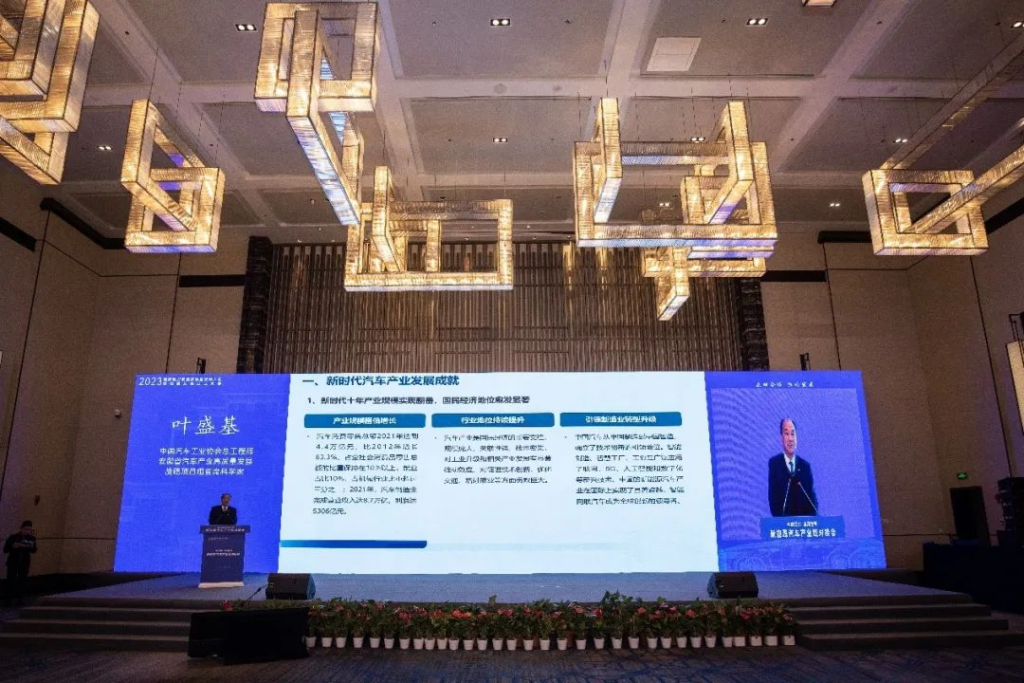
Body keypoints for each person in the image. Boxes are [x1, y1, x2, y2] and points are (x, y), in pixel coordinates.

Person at [768, 418, 819, 517]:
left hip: (804, 524)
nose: (790, 438)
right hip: (783, 524)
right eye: (786, 434)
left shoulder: (805, 467)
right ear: (781, 438)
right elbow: (773, 500)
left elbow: (812, 500)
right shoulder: (774, 464)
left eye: (793, 434)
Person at [4, 520, 37, 604]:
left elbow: (34, 550)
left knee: (22, 581)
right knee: (10, 581)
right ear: (21, 528)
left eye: (29, 529)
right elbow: (5, 549)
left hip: (24, 562)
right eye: (26, 529)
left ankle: (20, 599)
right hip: (13, 562)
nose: (27, 531)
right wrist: (13, 546)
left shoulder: (31, 538)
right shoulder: (14, 537)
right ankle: (8, 600)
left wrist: (28, 546)